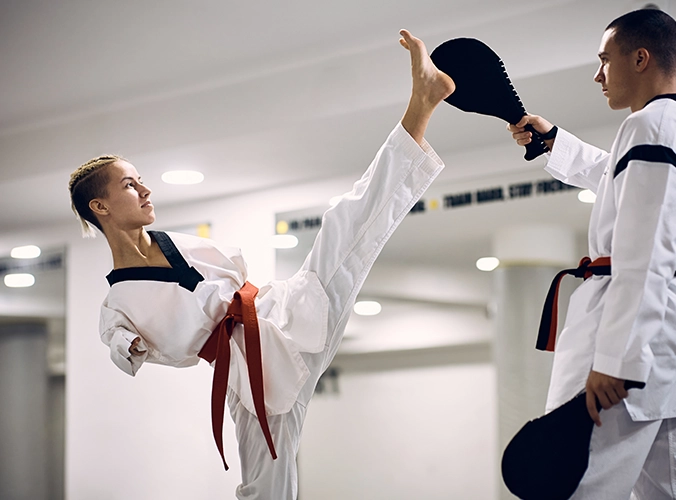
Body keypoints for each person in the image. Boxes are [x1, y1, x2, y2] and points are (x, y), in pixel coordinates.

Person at [68, 30, 454, 500]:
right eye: (130, 185)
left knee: (347, 223)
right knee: (267, 487)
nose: (146, 191)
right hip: (248, 375)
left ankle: (423, 104)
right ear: (100, 208)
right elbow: (130, 349)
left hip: (282, 312)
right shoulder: (118, 303)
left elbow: (230, 281)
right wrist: (131, 344)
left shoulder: (175, 242)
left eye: (142, 181)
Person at [508, 9, 676, 499]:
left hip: (632, 342)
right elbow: (617, 179)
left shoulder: (654, 124)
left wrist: (618, 355)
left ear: (640, 58)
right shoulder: (674, 126)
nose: (598, 74)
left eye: (605, 60)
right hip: (670, 340)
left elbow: (645, 249)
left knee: (573, 486)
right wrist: (555, 143)